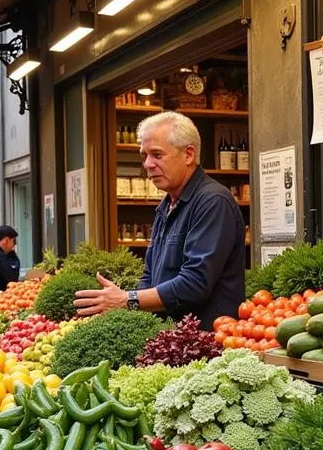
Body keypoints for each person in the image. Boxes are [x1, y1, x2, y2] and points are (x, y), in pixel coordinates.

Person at [75, 111, 245, 329]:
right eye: (144, 155)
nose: (147, 164)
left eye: (157, 154)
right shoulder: (167, 205)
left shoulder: (213, 201)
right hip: (168, 338)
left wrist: (128, 300)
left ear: (188, 154)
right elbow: (149, 276)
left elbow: (195, 283)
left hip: (206, 341)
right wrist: (131, 308)